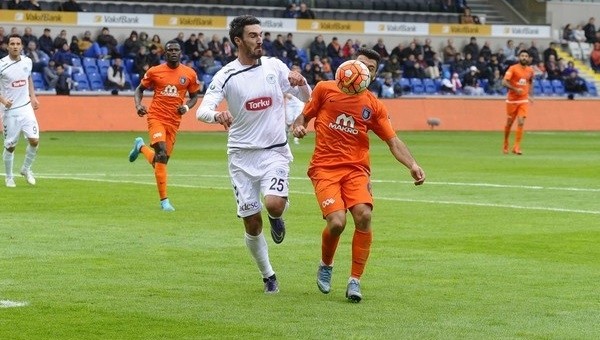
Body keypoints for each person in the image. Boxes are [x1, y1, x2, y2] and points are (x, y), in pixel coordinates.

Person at [292, 48, 426, 303]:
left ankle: (355, 280)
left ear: (373, 76)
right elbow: (303, 116)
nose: (362, 70)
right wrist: (299, 126)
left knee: (364, 216)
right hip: (324, 167)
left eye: (369, 69)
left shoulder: (373, 105)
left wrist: (412, 164)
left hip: (356, 169)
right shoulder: (324, 89)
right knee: (337, 223)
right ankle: (326, 264)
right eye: (359, 64)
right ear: (349, 65)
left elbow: (393, 141)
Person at [196, 15, 311, 294]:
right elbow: (201, 111)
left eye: (261, 34)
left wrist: (301, 81)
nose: (260, 39)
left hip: (274, 151)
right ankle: (268, 275)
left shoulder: (274, 66)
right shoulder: (226, 75)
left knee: (273, 205)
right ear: (238, 40)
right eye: (253, 35)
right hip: (241, 157)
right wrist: (217, 114)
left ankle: (278, 215)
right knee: (251, 221)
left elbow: (307, 97)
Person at [128, 40, 201, 211]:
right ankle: (164, 201)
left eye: (176, 50)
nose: (173, 52)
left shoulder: (189, 73)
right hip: (156, 117)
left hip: (174, 121)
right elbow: (139, 89)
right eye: (170, 50)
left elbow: (194, 96)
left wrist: (186, 107)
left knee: (161, 160)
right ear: (165, 53)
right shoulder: (155, 71)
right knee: (160, 152)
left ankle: (141, 147)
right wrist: (138, 105)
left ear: (180, 53)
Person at [0, 34, 40, 187]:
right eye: (12, 43)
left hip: (26, 107)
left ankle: (26, 169)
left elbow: (28, 78)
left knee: (34, 140)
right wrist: (3, 100)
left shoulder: (27, 61)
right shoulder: (1, 64)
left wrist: (33, 96)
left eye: (18, 43)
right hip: (9, 111)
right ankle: (9, 177)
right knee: (10, 146)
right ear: (7, 46)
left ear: (22, 46)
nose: (15, 46)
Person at [502, 49, 534, 155]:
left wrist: (530, 95)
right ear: (519, 57)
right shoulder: (513, 68)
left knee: (521, 122)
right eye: (522, 56)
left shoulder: (530, 70)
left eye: (526, 56)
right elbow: (504, 82)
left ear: (528, 58)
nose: (524, 57)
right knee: (509, 123)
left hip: (523, 100)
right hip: (512, 100)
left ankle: (516, 147)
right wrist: (516, 89)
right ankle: (506, 142)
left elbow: (530, 81)